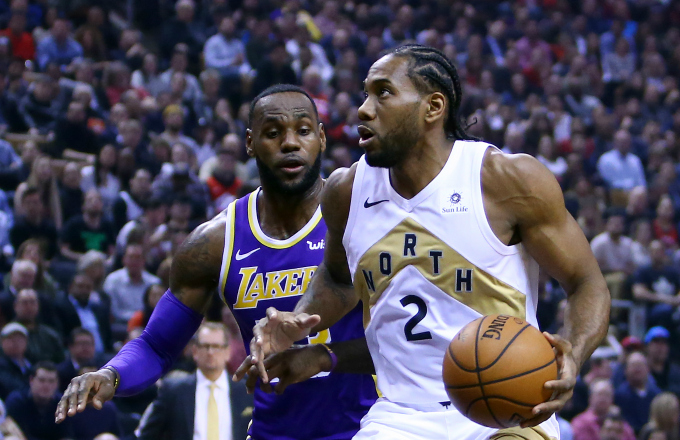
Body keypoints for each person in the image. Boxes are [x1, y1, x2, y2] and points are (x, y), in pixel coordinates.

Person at [240, 44, 610, 439]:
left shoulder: (504, 181)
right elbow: (337, 280)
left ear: (433, 107)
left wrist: (573, 349)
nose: (364, 109)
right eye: (365, 93)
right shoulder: (346, 191)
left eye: (383, 93)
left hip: (507, 406)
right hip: (401, 414)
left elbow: (587, 284)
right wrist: (301, 318)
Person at [55, 85, 377, 440]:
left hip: (364, 428)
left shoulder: (359, 219)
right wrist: (110, 375)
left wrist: (322, 356)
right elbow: (157, 345)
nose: (290, 143)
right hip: (273, 432)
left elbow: (403, 347)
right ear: (250, 143)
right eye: (273, 133)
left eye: (302, 131)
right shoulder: (216, 242)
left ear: (321, 138)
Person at [135, 323, 251, 440]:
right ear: (195, 351)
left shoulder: (246, 392)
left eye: (216, 346)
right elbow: (147, 435)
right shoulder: (174, 391)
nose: (210, 352)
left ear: (227, 352)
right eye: (205, 346)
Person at [6, 361, 74, 440]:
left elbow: (66, 435)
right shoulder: (16, 401)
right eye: (41, 380)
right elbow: (9, 428)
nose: (46, 385)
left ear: (57, 384)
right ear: (31, 380)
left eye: (51, 381)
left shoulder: (63, 404)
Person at [103, 243, 160, 324]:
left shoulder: (154, 282)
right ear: (124, 259)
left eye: (137, 258)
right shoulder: (113, 280)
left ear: (144, 260)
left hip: (149, 325)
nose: (134, 261)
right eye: (131, 257)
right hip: (121, 326)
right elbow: (112, 311)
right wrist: (138, 317)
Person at [55, 274, 111, 354]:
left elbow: (108, 337)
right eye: (80, 286)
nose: (84, 290)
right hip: (74, 354)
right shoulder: (61, 308)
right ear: (71, 288)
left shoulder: (99, 310)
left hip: (102, 356)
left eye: (88, 287)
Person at [570, 379, 635, 440]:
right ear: (590, 397)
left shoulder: (621, 425)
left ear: (612, 399)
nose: (603, 398)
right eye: (599, 394)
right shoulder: (581, 423)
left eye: (607, 395)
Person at [13, 288, 64, 364]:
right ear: (16, 306)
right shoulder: (7, 335)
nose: (29, 306)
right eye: (24, 303)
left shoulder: (50, 335)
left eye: (32, 302)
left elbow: (60, 361)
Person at [615, 351, 661, 433]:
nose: (637, 368)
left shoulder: (656, 395)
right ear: (625, 370)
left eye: (640, 365)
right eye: (633, 365)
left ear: (648, 369)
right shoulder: (619, 396)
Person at [57, 328, 102, 393]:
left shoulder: (102, 369)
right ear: (71, 347)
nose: (85, 347)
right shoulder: (61, 372)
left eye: (88, 343)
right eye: (81, 343)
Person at [643, 327, 680, 396]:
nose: (660, 347)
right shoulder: (640, 371)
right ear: (647, 346)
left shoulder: (676, 372)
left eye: (663, 343)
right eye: (656, 342)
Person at [0, 323, 31, 400]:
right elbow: (11, 385)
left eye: (19, 339)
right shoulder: (2, 365)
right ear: (2, 342)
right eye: (10, 339)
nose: (15, 342)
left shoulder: (32, 364)